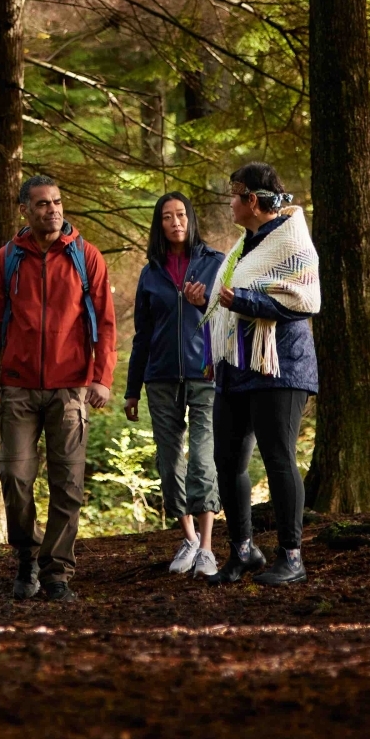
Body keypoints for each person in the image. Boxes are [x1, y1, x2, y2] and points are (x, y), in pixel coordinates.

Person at [0, 176, 117, 602]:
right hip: (17, 388)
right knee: (14, 475)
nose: (52, 210)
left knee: (68, 484)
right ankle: (26, 555)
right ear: (25, 210)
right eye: (41, 204)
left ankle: (57, 572)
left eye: (56, 202)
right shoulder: (7, 259)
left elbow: (105, 324)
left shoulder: (85, 256)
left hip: (71, 388)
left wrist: (102, 377)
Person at [197, 163, 321, 587]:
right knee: (227, 461)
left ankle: (292, 556)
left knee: (279, 458)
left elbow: (304, 300)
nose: (229, 202)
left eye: (234, 194)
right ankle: (244, 551)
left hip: (281, 366)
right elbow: (231, 302)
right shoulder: (243, 245)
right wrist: (209, 303)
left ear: (252, 199)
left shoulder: (292, 240)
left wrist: (243, 300)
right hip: (237, 366)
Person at [123, 192, 227, 577]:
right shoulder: (151, 272)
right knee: (170, 463)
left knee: (202, 459)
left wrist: (200, 305)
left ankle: (208, 549)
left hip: (205, 377)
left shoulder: (215, 264)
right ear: (160, 225)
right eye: (167, 217)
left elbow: (226, 321)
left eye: (181, 214)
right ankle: (188, 540)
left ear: (191, 218)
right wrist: (132, 389)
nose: (175, 222)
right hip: (161, 378)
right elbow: (142, 335)